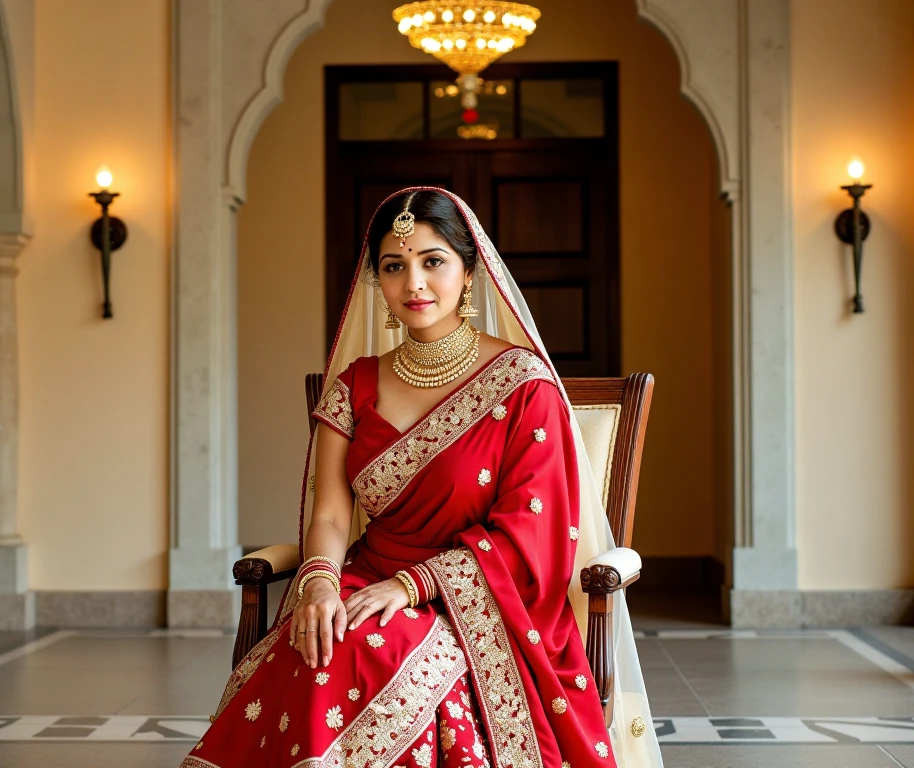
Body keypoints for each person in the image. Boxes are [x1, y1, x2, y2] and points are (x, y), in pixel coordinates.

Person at [181, 188, 662, 767]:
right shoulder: (355, 385)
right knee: (319, 642)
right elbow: (331, 514)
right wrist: (319, 584)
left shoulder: (522, 386)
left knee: (371, 651)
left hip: (479, 601)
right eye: (394, 266)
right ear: (377, 282)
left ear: (468, 270)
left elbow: (529, 539)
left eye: (433, 261)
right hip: (365, 579)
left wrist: (411, 588)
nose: (414, 284)